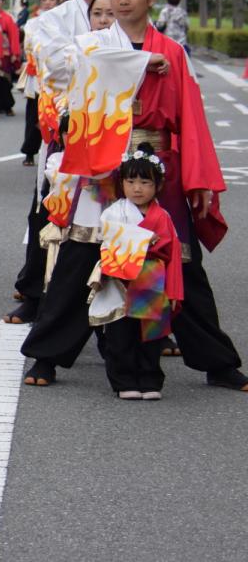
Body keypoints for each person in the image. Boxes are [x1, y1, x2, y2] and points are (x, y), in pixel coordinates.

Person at [23, 0, 248, 394]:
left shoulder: (173, 51)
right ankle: (46, 356)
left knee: (180, 264)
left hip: (157, 167)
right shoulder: (91, 45)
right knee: (79, 260)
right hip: (105, 164)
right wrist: (139, 65)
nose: (123, 1)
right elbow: (60, 71)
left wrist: (200, 181)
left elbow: (191, 120)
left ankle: (217, 362)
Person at [5, 0, 112, 326]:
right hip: (68, 146)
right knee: (56, 223)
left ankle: (147, 324)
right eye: (97, 13)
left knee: (129, 232)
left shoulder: (147, 48)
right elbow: (52, 73)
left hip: (123, 159)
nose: (104, 19)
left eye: (110, 13)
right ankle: (40, 300)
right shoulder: (64, 37)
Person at [89, 144, 182, 400]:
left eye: (145, 182)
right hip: (119, 278)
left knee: (150, 335)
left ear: (158, 186)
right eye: (131, 181)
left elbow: (172, 255)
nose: (137, 188)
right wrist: (144, 241)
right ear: (122, 183)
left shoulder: (162, 216)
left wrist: (174, 290)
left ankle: (150, 379)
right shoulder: (114, 213)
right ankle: (124, 379)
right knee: (120, 333)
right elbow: (108, 240)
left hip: (152, 278)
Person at [18, 0, 62, 166]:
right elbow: (29, 46)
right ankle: (29, 150)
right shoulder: (32, 24)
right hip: (36, 75)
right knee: (34, 114)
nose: (48, 3)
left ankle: (55, 148)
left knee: (54, 114)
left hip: (55, 77)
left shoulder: (63, 22)